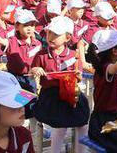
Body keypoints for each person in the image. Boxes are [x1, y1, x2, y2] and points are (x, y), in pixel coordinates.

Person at [29, 16, 90, 153]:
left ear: (67, 38)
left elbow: (78, 75)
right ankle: (54, 150)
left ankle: (80, 150)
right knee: (60, 125)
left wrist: (77, 76)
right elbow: (31, 70)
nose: (51, 36)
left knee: (83, 123)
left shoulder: (74, 55)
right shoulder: (41, 55)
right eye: (49, 32)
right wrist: (36, 70)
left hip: (70, 94)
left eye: (56, 34)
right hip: (51, 97)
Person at [5, 8, 42, 118]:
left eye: (32, 25)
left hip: (31, 79)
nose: (30, 28)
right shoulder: (13, 41)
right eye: (26, 25)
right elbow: (17, 63)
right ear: (17, 27)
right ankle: (20, 127)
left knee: (32, 105)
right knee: (19, 106)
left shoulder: (37, 43)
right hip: (16, 79)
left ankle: (33, 131)